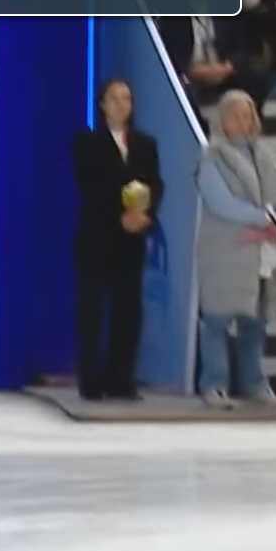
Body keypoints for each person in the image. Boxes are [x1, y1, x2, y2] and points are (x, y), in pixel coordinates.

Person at [194, 90, 276, 409]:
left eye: (246, 114)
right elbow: (221, 202)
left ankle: (254, 383)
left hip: (260, 253)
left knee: (255, 323)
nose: (241, 121)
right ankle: (214, 385)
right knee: (217, 321)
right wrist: (264, 219)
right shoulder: (210, 158)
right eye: (234, 115)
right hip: (224, 250)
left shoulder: (265, 156)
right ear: (221, 120)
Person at [71, 79, 163, 401]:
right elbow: (90, 186)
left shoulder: (145, 144)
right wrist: (120, 215)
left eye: (126, 98)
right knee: (93, 313)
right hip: (97, 237)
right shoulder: (87, 142)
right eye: (114, 98)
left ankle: (121, 379)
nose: (121, 104)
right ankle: (91, 381)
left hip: (131, 241)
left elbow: (155, 184)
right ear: (102, 104)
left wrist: (144, 215)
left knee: (128, 312)